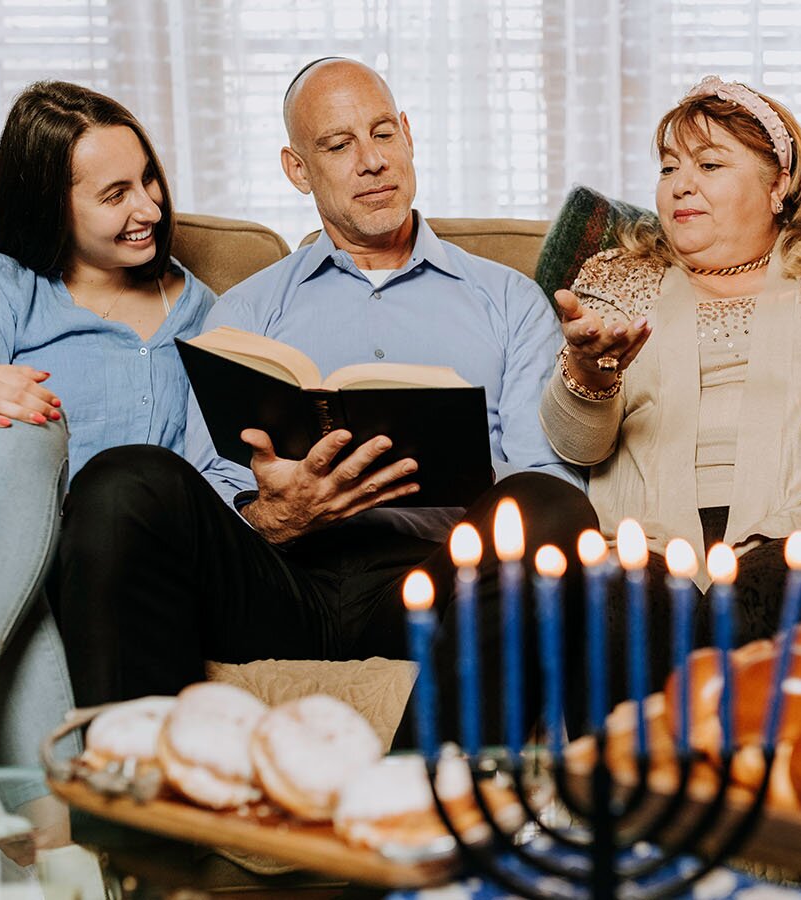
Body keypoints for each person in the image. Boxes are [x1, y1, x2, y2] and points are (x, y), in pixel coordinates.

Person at [51, 58, 594, 742]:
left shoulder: (508, 299)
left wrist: (462, 481)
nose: (372, 162)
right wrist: (272, 516)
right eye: (338, 146)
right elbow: (208, 475)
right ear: (298, 169)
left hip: (432, 584)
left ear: (408, 136)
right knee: (123, 479)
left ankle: (419, 792)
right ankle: (133, 788)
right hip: (281, 581)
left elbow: (545, 475)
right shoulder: (247, 309)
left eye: (383, 134)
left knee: (552, 506)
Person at [0, 81, 214, 885]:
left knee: (65, 522)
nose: (148, 206)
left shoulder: (206, 311)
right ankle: (43, 843)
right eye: (114, 193)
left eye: (149, 178)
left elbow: (206, 483)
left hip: (118, 570)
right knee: (18, 413)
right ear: (51, 203)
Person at [540, 76, 801, 661]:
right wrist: (591, 376)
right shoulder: (617, 279)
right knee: (619, 607)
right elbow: (577, 447)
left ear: (778, 184)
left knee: (761, 600)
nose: (680, 185)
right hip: (646, 541)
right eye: (668, 168)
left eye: (709, 164)